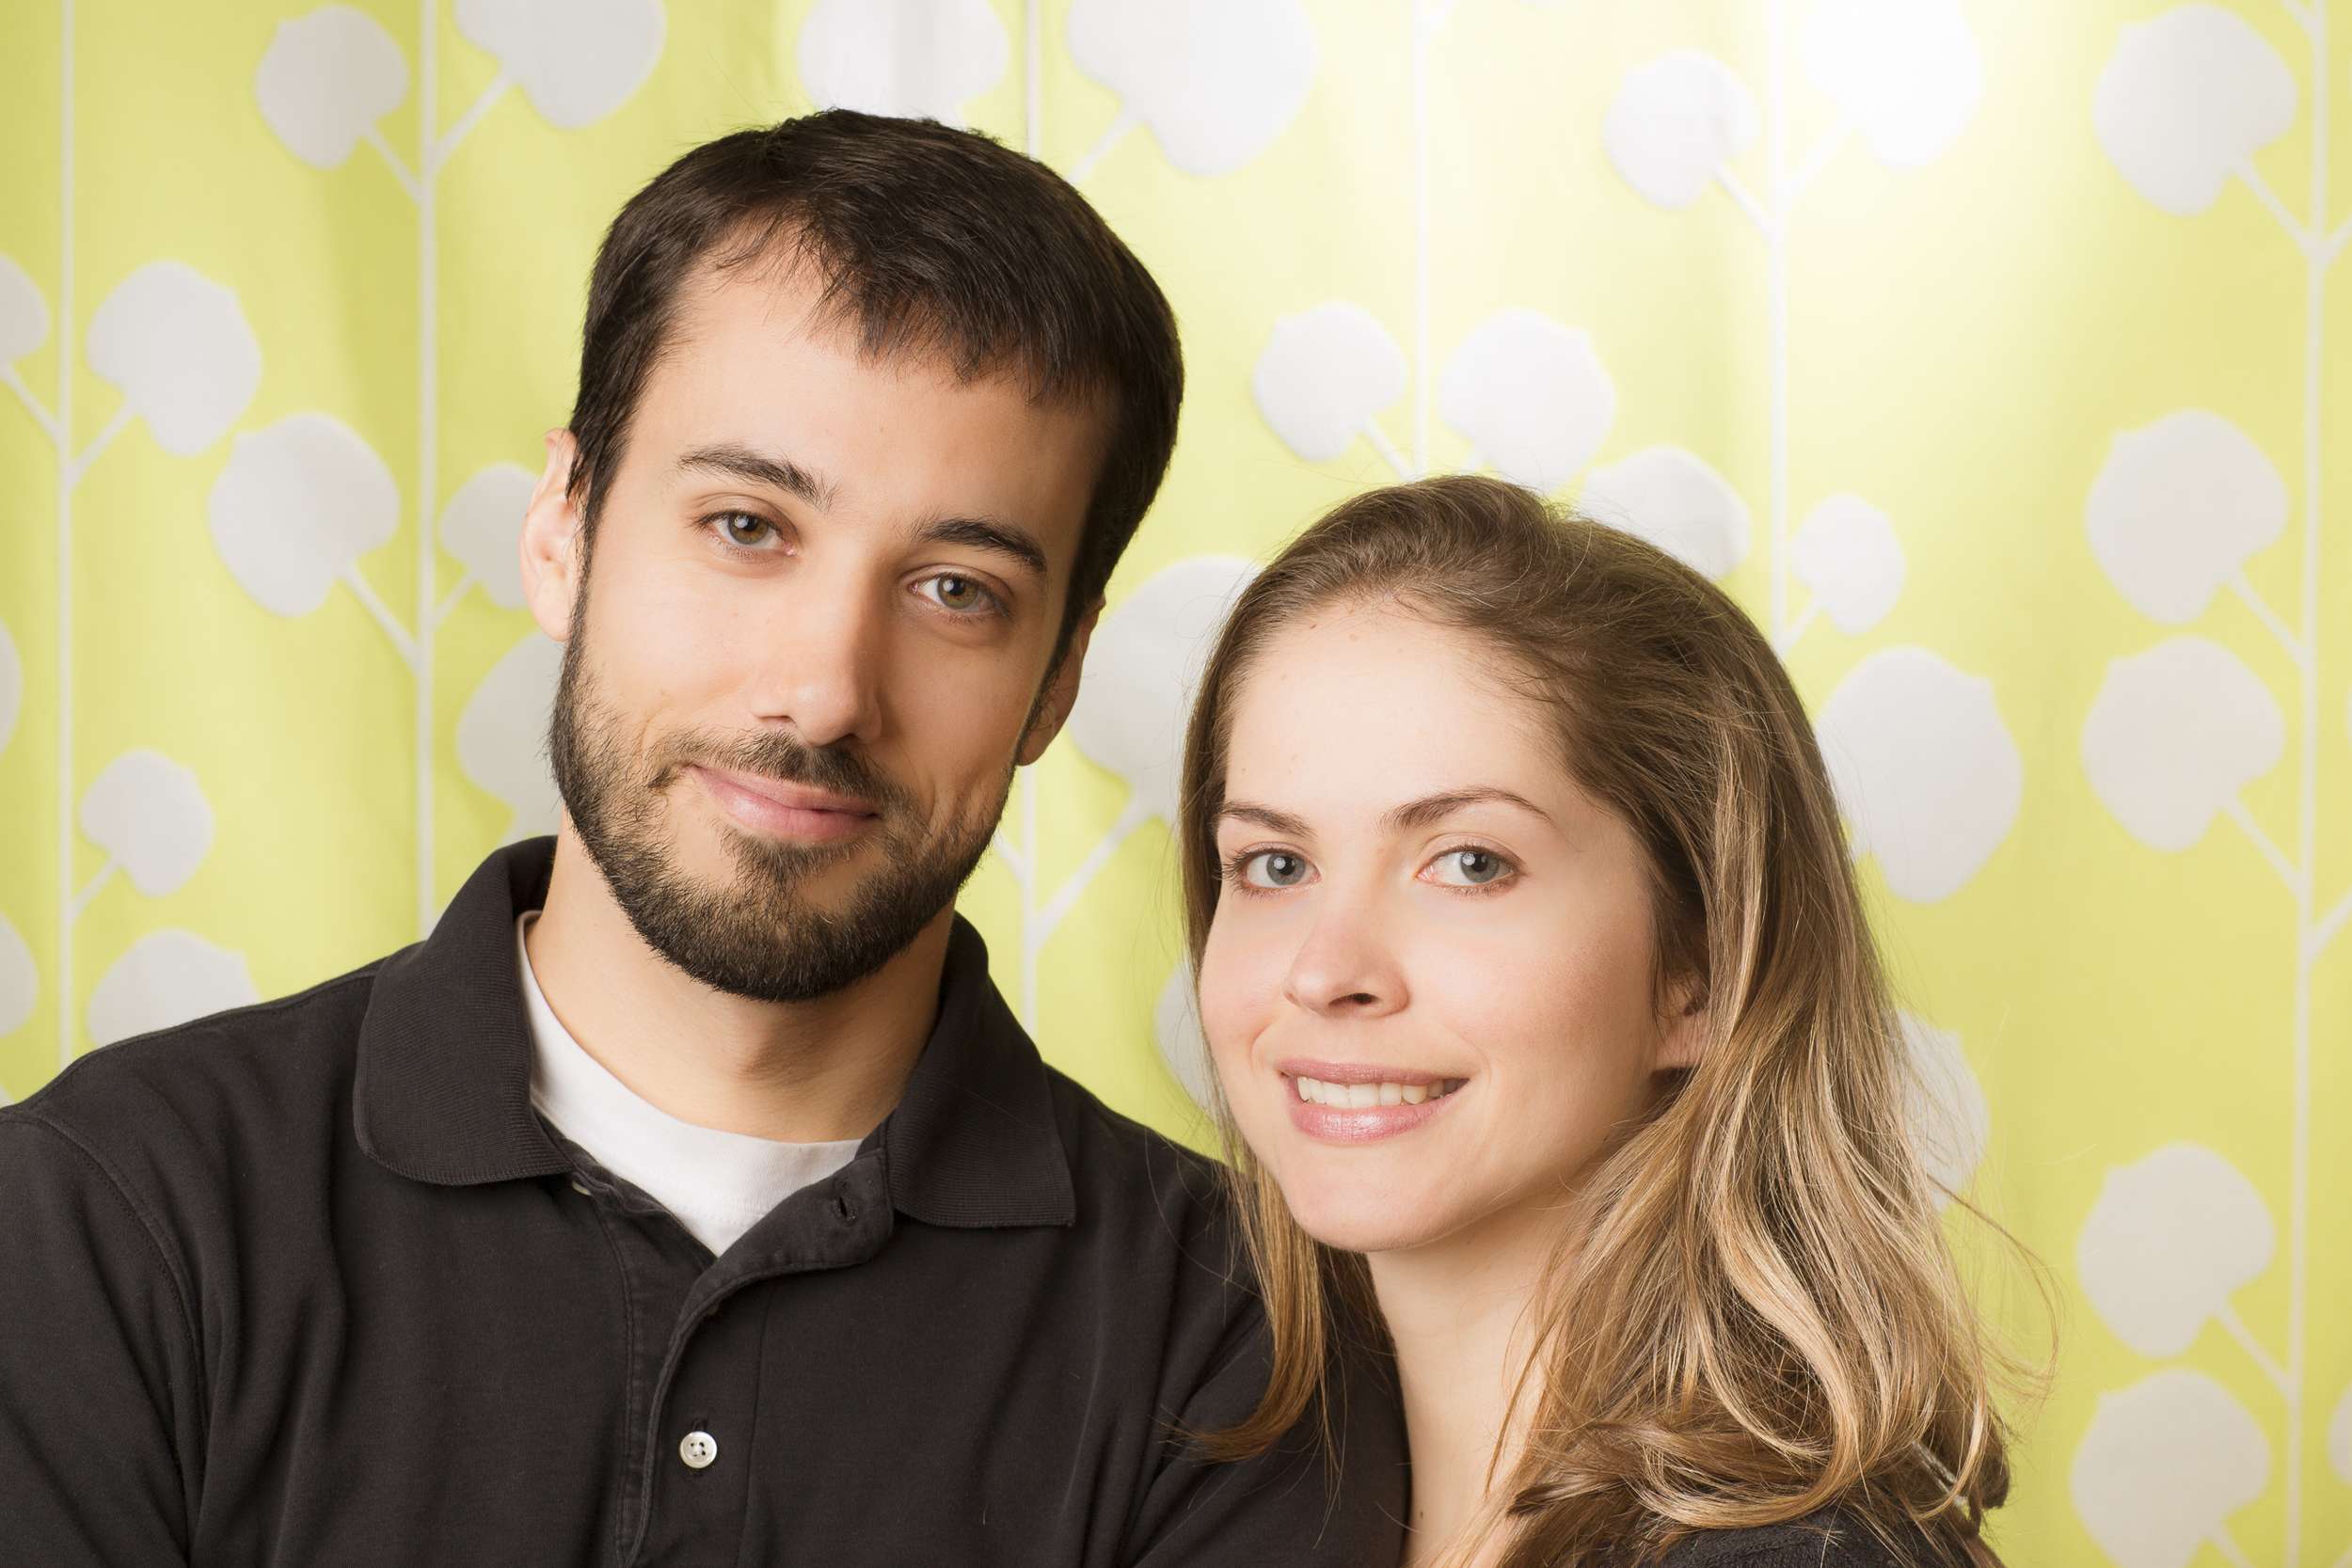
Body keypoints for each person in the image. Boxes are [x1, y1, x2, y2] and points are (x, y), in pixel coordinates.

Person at [0, 113, 1404, 1566]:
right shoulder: (108, 1220)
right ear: (562, 526)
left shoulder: (1240, 1339)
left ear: (1056, 679)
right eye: (746, 524)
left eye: (954, 589)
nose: (825, 688)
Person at [1176, 476, 2026, 1567]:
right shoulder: (1218, 1498)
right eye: (1274, 863)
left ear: (1699, 969)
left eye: (1470, 862)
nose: (1325, 970)